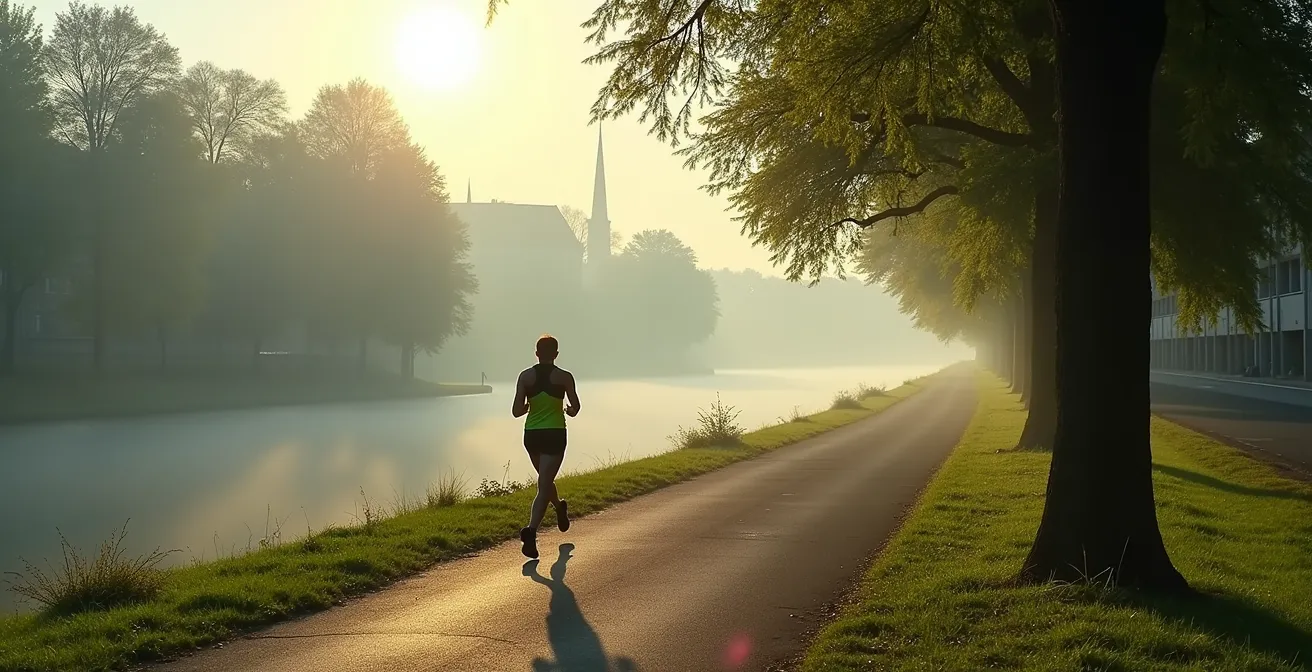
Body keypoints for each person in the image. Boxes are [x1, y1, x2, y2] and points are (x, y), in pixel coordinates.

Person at [512, 334, 580, 559]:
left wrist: (532, 405)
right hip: (554, 434)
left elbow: (516, 411)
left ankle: (559, 508)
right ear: (556, 354)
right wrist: (568, 411)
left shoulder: (525, 376)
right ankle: (531, 531)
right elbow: (575, 407)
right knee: (544, 482)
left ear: (536, 353)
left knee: (544, 481)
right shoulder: (564, 377)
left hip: (532, 435)